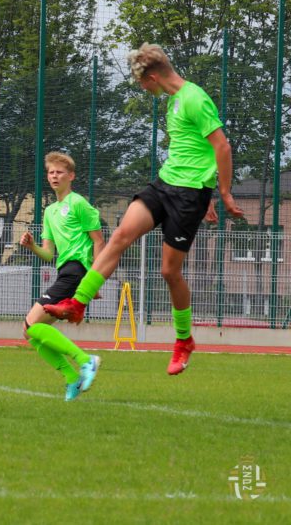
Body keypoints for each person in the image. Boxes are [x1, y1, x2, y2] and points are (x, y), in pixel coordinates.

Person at [45, 44, 245, 375]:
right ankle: (77, 303)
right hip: (165, 184)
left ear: (152, 77)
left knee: (169, 272)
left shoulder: (194, 98)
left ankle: (184, 340)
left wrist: (220, 192)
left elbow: (221, 146)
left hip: (189, 196)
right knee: (120, 235)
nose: (141, 87)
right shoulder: (173, 101)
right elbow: (194, 150)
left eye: (141, 82)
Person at [19, 151, 105, 401]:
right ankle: (71, 378)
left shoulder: (79, 203)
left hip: (77, 271)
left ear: (71, 176)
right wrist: (32, 246)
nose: (54, 176)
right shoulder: (49, 211)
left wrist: (94, 279)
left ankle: (85, 360)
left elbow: (99, 242)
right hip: (64, 271)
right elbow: (48, 254)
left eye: (59, 172)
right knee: (29, 332)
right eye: (51, 172)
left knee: (32, 325)